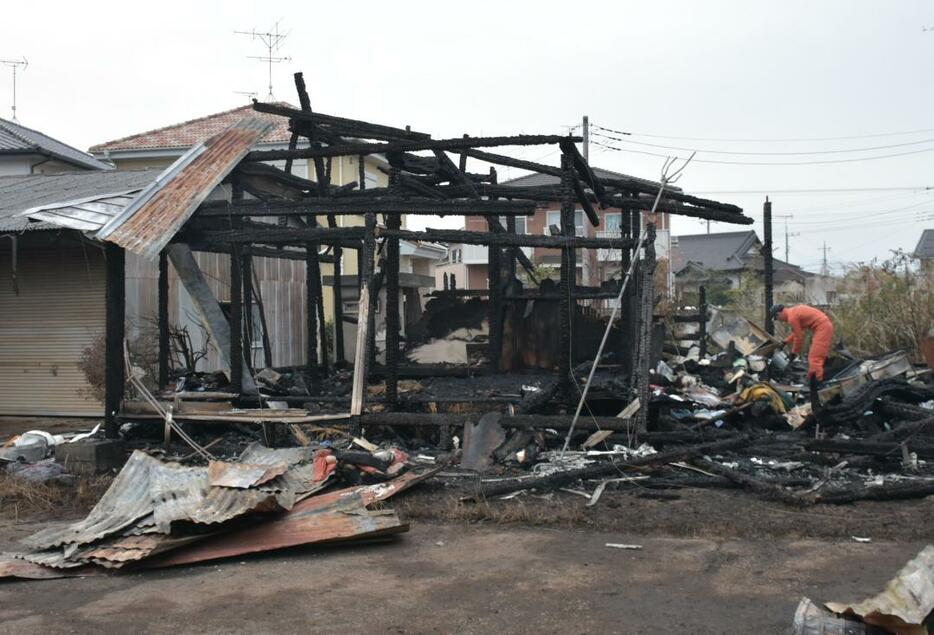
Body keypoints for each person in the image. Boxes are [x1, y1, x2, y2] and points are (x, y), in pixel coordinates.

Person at [770, 303, 834, 381]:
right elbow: (797, 332)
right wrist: (785, 342)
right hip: (823, 327)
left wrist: (794, 353)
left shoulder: (792, 318)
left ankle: (817, 384)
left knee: (814, 359)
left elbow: (799, 337)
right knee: (814, 357)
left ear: (778, 314)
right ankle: (812, 379)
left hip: (823, 328)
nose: (780, 321)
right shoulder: (792, 312)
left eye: (777, 318)